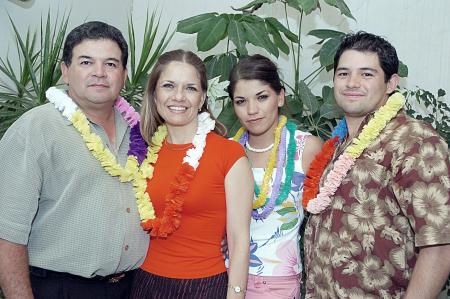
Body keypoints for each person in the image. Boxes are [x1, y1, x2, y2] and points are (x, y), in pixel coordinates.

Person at [0, 21, 149, 299]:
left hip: (134, 286)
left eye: (111, 64)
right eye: (86, 62)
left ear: (124, 75)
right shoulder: (34, 130)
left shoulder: (141, 130)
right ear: (65, 71)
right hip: (61, 288)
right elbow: (7, 235)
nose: (99, 73)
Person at [303, 31, 450, 298]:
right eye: (343, 73)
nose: (352, 82)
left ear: (391, 82)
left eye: (367, 74)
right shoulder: (339, 145)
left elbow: (440, 243)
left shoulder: (414, 141)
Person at [129, 49, 253, 299]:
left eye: (190, 88)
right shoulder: (142, 151)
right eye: (168, 86)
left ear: (203, 97)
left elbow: (239, 241)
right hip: (145, 284)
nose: (178, 97)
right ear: (154, 94)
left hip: (204, 286)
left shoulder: (229, 154)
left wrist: (236, 294)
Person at [227, 54, 323, 298]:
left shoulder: (306, 148)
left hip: (278, 282)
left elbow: (324, 220)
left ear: (280, 97)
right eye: (241, 101)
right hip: (222, 276)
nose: (252, 110)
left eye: (262, 97)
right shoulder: (226, 150)